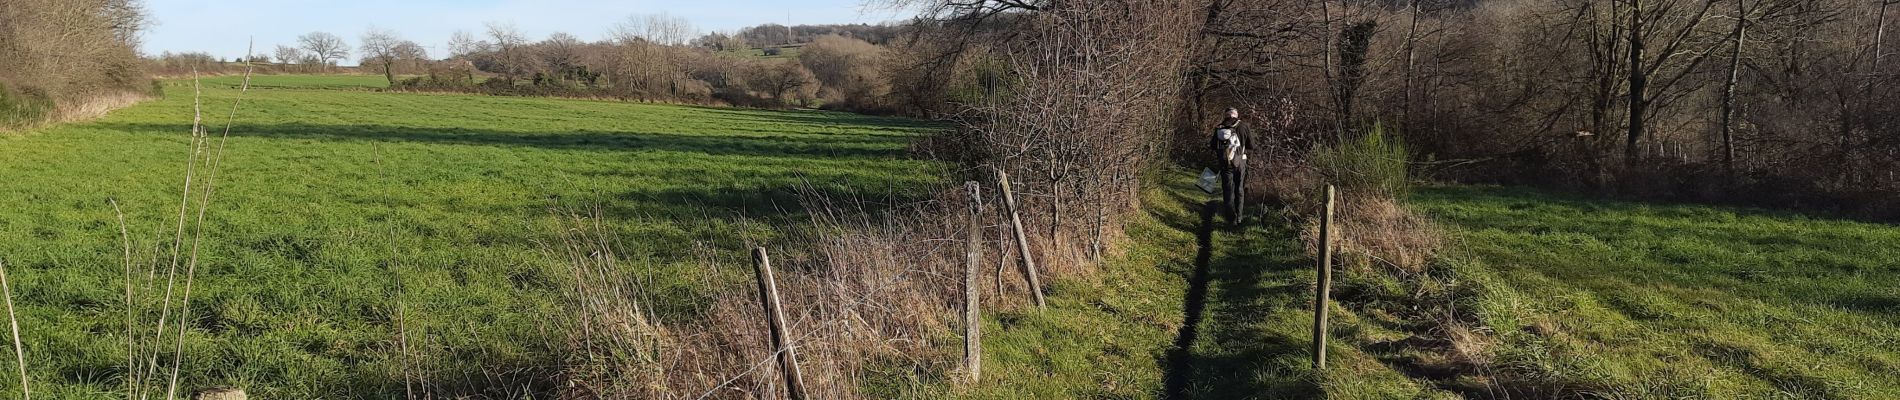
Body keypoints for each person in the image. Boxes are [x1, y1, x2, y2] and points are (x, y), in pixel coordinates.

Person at [1210, 108, 1252, 222]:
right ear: (1236, 115)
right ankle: (1239, 217)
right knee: (1239, 188)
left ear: (1226, 115)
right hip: (1240, 162)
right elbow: (1251, 145)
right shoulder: (1244, 126)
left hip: (1225, 163)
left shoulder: (1220, 127)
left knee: (1227, 189)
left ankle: (1230, 217)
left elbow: (1213, 145)